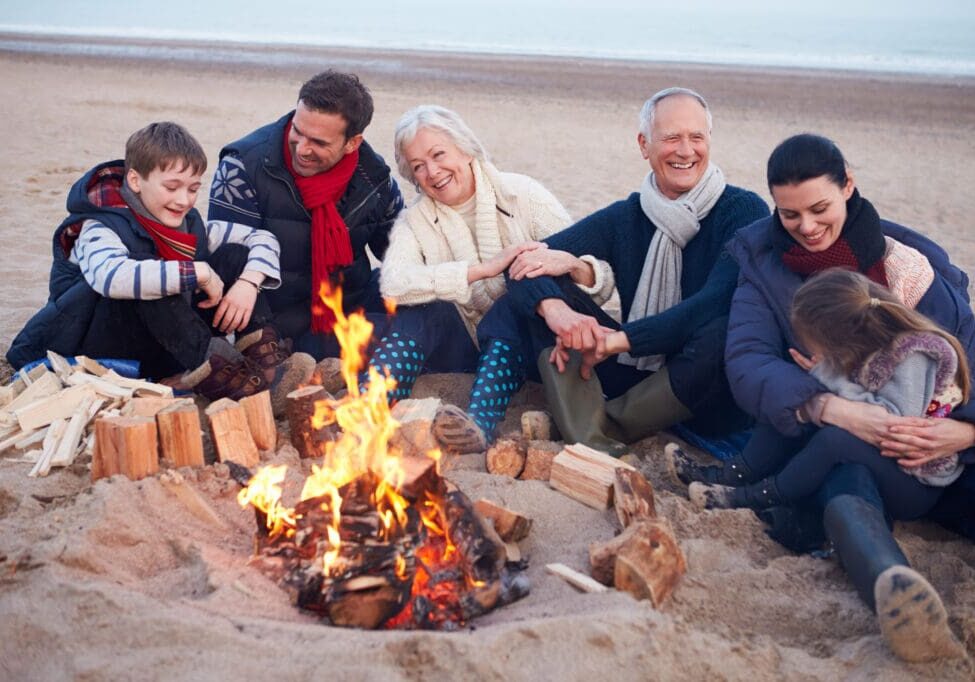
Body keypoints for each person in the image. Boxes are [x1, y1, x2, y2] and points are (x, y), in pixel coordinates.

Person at [684, 133, 969, 661]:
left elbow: (966, 354)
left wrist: (966, 428)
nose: (807, 227)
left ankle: (876, 565)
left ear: (849, 186)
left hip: (926, 448)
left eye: (819, 208)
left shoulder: (911, 266)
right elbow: (748, 362)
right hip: (829, 440)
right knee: (844, 478)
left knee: (871, 474)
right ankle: (896, 589)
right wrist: (828, 404)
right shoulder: (763, 261)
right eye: (790, 214)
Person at [503, 87, 769, 455]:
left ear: (710, 141)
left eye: (696, 137)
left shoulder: (744, 210)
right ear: (644, 145)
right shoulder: (626, 216)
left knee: (722, 326)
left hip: (709, 390)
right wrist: (559, 312)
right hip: (633, 374)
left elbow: (713, 303)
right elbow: (519, 265)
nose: (686, 150)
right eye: (672, 137)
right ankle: (587, 429)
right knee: (530, 296)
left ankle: (604, 425)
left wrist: (615, 341)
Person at [7, 122, 313, 412]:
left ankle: (265, 366)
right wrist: (200, 272)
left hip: (166, 346)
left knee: (234, 254)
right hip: (99, 346)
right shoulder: (98, 226)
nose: (184, 200)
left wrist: (248, 283)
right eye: (172, 187)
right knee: (153, 273)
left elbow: (262, 239)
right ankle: (233, 380)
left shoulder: (189, 225)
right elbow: (112, 278)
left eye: (193, 189)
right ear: (136, 180)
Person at [375, 105, 615, 452]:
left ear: (465, 147)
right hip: (463, 347)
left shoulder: (523, 194)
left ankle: (479, 425)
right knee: (419, 310)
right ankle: (371, 406)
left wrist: (573, 264)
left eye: (438, 154)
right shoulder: (416, 221)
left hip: (531, 347)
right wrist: (482, 271)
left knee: (511, 301)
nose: (432, 171)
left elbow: (602, 281)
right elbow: (392, 283)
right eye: (418, 166)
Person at [685, 268, 969, 510]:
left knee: (833, 441)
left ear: (843, 341)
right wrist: (820, 386)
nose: (810, 348)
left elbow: (891, 423)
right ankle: (733, 473)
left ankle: (754, 497)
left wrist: (829, 375)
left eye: (814, 342)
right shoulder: (872, 346)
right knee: (794, 399)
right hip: (888, 454)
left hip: (916, 480)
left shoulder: (912, 357)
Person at [208, 70, 404, 358]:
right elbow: (226, 260)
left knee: (426, 306)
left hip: (349, 316)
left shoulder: (373, 178)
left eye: (319, 142)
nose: (302, 148)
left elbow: (401, 254)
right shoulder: (242, 166)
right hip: (273, 329)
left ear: (353, 143)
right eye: (297, 131)